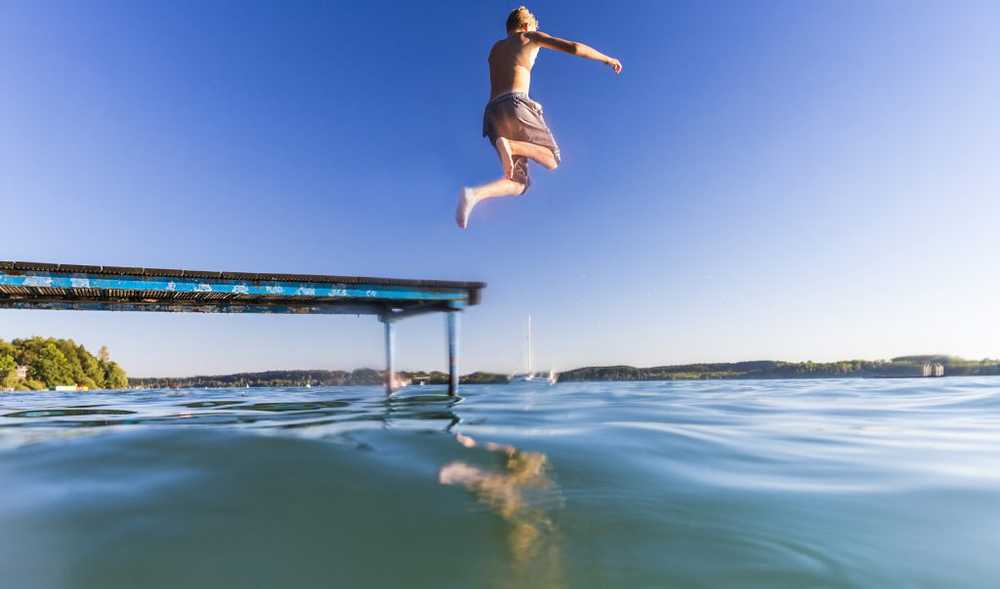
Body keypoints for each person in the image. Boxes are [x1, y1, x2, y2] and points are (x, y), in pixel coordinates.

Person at [456, 6, 622, 229]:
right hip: (515, 103)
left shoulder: (495, 49)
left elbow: (506, 82)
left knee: (518, 183)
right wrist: (607, 58)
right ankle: (513, 146)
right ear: (525, 27)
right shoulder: (529, 37)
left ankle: (473, 195)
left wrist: (530, 103)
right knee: (553, 158)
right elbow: (574, 47)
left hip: (493, 112)